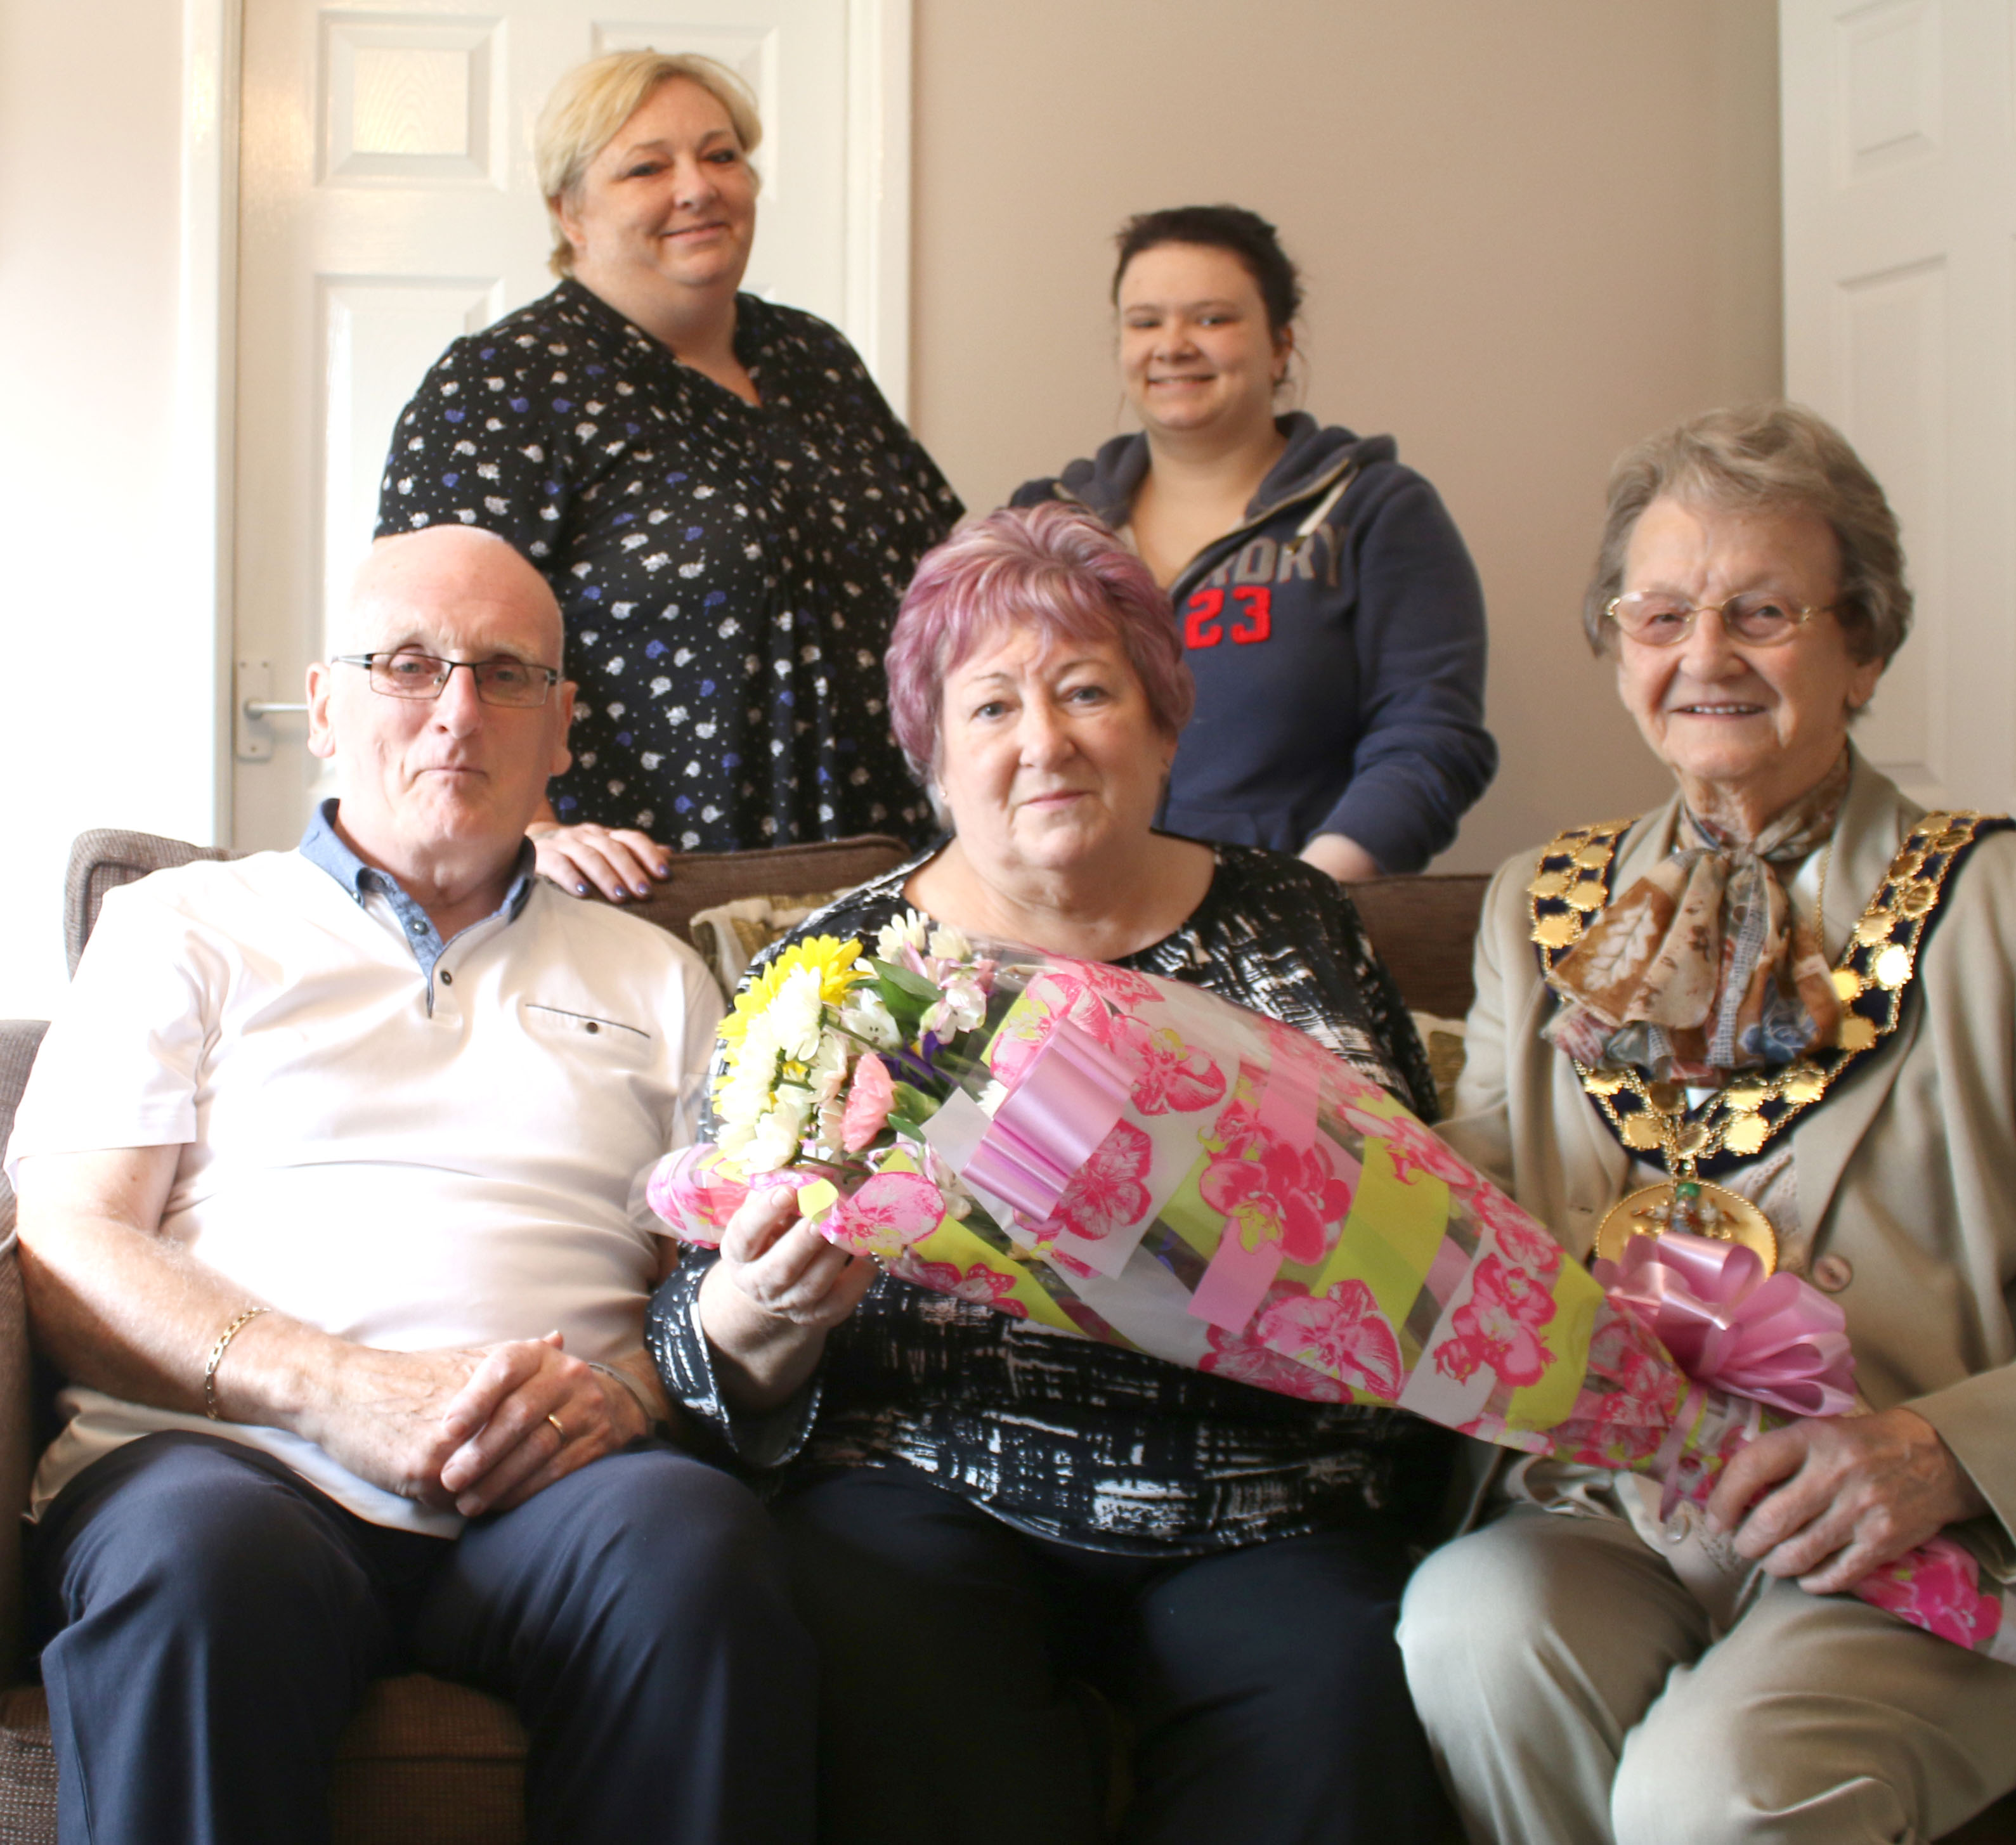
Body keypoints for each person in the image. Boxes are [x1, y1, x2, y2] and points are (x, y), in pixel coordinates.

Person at [1393, 404, 2016, 1845]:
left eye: (1762, 610)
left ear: (1863, 647)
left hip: (1918, 1540)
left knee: (1712, 1792)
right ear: (1615, 643)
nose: (1705, 655)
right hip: (1621, 1509)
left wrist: (1939, 1452)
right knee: (1470, 1621)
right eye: (1662, 611)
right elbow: (1490, 1203)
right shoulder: (1540, 903)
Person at [644, 503, 1453, 1845]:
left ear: (1161, 720)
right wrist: (764, 1309)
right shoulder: (843, 971)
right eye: (993, 707)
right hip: (927, 1482)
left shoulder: (1293, 926)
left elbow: (1428, 1233)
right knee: (871, 1639)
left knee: (1332, 1692)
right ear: (934, 753)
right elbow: (692, 1334)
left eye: (1088, 690)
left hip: (1270, 1498)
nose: (1047, 741)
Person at [7, 526, 813, 1845]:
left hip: (558, 1489)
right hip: (224, 1465)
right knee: (201, 1574)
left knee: (694, 1549)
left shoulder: (661, 980)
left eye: (506, 674)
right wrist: (335, 1390)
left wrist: (626, 1391)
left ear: (563, 730)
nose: (456, 711)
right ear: (326, 707)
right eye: (409, 665)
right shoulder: (183, 927)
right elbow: (68, 1240)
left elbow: (708, 1289)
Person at [377, 48, 961, 902]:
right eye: (646, 167)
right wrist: (535, 827)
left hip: (879, 876)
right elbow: (422, 643)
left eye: (721, 155)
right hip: (641, 886)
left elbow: (950, 572)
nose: (696, 187)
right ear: (567, 209)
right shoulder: (506, 382)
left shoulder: (816, 357)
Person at [1011, 205, 1495, 880]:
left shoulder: (1377, 511)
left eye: (1212, 319)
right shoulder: (1046, 525)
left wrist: (1308, 893)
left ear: (1279, 345)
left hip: (1295, 920)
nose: (1172, 345)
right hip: (1077, 924)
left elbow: (1431, 742)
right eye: (1145, 321)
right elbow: (979, 721)